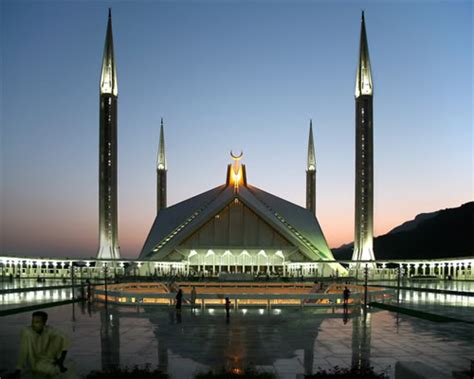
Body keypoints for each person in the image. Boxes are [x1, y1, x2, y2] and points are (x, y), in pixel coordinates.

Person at [14, 311, 69, 376]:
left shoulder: (47, 329)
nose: (33, 324)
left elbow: (65, 338)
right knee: (55, 370)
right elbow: (24, 350)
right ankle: (54, 366)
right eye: (32, 321)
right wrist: (18, 369)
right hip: (36, 362)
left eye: (37, 322)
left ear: (44, 323)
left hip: (47, 357)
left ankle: (58, 362)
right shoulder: (27, 332)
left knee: (59, 338)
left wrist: (62, 359)